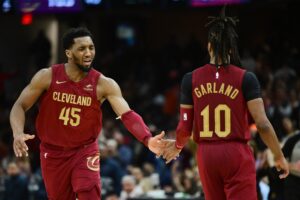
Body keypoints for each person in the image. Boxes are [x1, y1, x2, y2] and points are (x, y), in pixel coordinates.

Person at [9, 27, 166, 200]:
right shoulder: (47, 76)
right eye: (82, 48)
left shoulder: (103, 84)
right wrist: (17, 133)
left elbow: (127, 114)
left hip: (84, 150)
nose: (88, 53)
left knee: (89, 193)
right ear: (68, 53)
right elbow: (19, 105)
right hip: (52, 152)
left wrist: (147, 139)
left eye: (91, 48)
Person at [161, 8, 289, 200]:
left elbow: (185, 126)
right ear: (231, 48)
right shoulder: (246, 78)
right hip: (235, 152)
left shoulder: (190, 79)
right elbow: (262, 124)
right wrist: (278, 156)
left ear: (209, 46)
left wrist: (178, 145)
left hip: (206, 155)